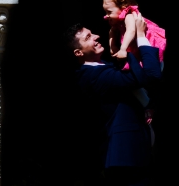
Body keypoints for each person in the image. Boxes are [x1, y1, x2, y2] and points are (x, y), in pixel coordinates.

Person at [64, 12, 161, 186]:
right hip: (127, 159)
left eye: (92, 33)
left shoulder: (105, 67)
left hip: (137, 153)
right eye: (88, 37)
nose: (96, 36)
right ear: (78, 52)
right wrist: (139, 36)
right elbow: (150, 75)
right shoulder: (93, 77)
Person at [103, 0, 166, 69]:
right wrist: (112, 46)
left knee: (149, 60)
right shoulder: (117, 20)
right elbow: (112, 31)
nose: (106, 16)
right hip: (135, 44)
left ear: (123, 7)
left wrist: (123, 49)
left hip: (146, 41)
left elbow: (131, 30)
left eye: (109, 12)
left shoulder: (128, 16)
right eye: (106, 12)